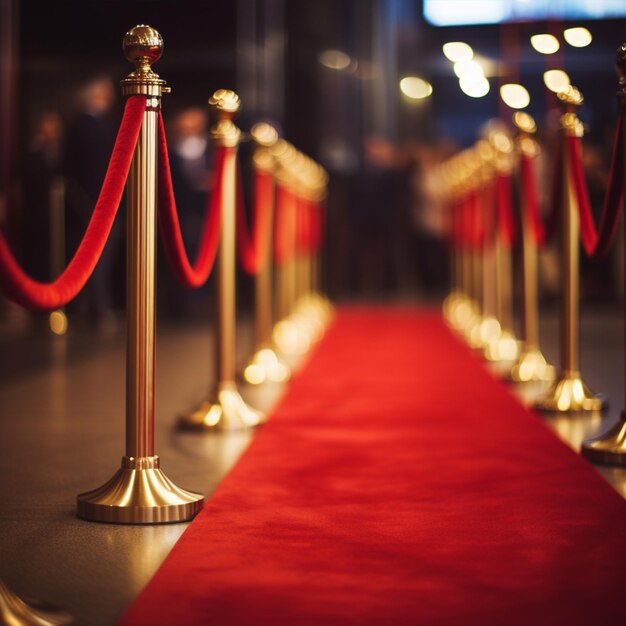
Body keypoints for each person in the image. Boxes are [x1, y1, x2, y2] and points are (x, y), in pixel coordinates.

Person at [64, 75, 121, 331]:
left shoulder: (100, 125)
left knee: (101, 259)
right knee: (93, 258)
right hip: (93, 205)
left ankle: (98, 307)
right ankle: (97, 308)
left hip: (103, 202)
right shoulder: (83, 126)